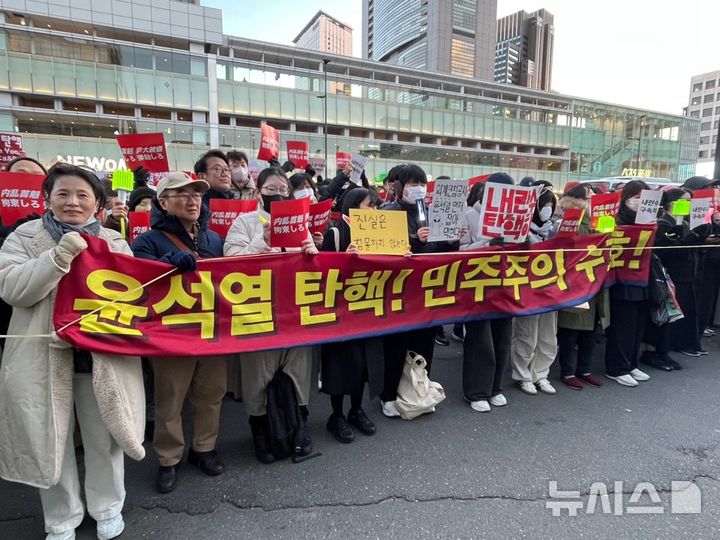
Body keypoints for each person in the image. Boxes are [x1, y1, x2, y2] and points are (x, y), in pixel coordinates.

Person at [0, 162, 145, 540]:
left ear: (98, 202)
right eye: (63, 193)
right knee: (50, 442)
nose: (72, 202)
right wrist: (57, 257)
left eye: (83, 195)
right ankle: (62, 519)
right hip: (41, 360)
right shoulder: (24, 237)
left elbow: (134, 297)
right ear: (46, 198)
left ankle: (107, 507)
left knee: (104, 438)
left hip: (101, 358)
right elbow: (12, 288)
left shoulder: (114, 241)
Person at [132, 171, 227, 494]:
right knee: (170, 400)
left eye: (197, 195)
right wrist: (166, 264)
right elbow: (141, 284)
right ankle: (168, 459)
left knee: (211, 393)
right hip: (171, 334)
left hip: (211, 330)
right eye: (182, 194)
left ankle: (204, 448)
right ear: (163, 202)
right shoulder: (146, 241)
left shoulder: (213, 239)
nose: (192, 200)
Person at [224, 167, 317, 463]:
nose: (278, 195)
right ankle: (261, 433)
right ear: (257, 192)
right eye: (271, 189)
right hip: (257, 314)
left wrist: (312, 250)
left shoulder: (300, 223)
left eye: (283, 190)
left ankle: (299, 427)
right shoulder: (244, 222)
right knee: (258, 378)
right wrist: (263, 240)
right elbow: (228, 264)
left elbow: (313, 268)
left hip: (295, 312)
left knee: (298, 372)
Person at [379, 164, 452, 417]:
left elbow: (443, 254)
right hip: (398, 294)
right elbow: (383, 254)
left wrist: (449, 240)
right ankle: (388, 395)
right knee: (396, 347)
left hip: (426, 292)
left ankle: (420, 390)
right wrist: (414, 241)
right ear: (398, 187)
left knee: (424, 345)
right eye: (412, 184)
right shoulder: (387, 212)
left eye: (421, 183)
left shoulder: (433, 212)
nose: (418, 188)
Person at [320, 188, 383, 443]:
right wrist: (343, 261)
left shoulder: (382, 234)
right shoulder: (335, 234)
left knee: (364, 364)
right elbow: (320, 276)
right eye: (370, 206)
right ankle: (336, 416)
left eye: (377, 207)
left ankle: (356, 410)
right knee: (340, 366)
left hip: (369, 309)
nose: (375, 212)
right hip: (341, 313)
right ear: (353, 207)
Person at [459, 173, 514, 412]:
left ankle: (495, 387)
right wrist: (488, 244)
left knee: (503, 337)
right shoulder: (470, 215)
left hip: (507, 282)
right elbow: (460, 250)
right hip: (478, 283)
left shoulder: (514, 217)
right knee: (480, 339)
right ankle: (476, 391)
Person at [556, 185, 607, 390]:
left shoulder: (596, 217)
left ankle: (584, 369)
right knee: (571, 327)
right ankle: (568, 371)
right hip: (575, 279)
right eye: (589, 194)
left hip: (594, 276)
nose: (594, 196)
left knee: (590, 329)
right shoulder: (572, 218)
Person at [511, 181, 559, 395]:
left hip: (551, 288)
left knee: (548, 335)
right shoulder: (520, 227)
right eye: (543, 203)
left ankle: (541, 374)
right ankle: (522, 375)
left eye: (550, 203)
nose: (547, 207)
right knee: (526, 334)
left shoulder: (556, 227)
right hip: (527, 288)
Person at [604, 180, 652, 386]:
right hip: (620, 278)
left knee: (638, 323)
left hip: (642, 277)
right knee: (622, 324)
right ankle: (617, 367)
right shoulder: (616, 217)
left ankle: (632, 363)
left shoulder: (648, 219)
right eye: (637, 197)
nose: (640, 202)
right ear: (627, 198)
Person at [653, 188, 707, 358]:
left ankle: (685, 343)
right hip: (672, 274)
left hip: (687, 273)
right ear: (672, 203)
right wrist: (684, 240)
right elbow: (663, 251)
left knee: (688, 311)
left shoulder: (684, 222)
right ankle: (670, 346)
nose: (689, 205)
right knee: (674, 314)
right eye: (685, 201)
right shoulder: (663, 223)